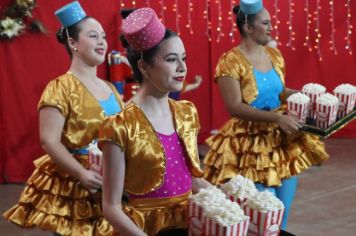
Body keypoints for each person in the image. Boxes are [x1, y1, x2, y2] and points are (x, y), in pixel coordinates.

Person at [202, 0, 329, 230]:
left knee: (282, 210)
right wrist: (277, 118)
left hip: (281, 144)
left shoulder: (274, 55)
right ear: (248, 27)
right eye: (265, 23)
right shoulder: (230, 61)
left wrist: (303, 95)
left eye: (270, 22)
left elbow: (280, 93)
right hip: (248, 146)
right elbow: (234, 106)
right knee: (260, 213)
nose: (271, 27)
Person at [3, 1, 124, 235]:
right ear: (73, 43)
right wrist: (81, 173)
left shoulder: (110, 88)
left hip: (113, 181)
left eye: (103, 36)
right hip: (77, 185)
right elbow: (49, 140)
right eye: (93, 36)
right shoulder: (60, 88)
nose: (102, 42)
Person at [98, 7, 211, 236]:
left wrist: (229, 202)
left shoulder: (186, 113)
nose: (182, 67)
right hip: (146, 229)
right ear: (144, 66)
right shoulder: (121, 126)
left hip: (190, 221)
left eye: (184, 58)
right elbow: (110, 207)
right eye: (171, 59)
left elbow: (193, 181)